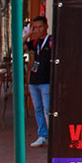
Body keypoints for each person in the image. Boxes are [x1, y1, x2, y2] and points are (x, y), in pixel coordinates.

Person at [24, 15, 53, 149]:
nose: (38, 30)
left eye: (40, 27)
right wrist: (29, 34)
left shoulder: (51, 41)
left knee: (48, 110)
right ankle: (42, 135)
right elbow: (19, 47)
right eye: (35, 28)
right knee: (38, 110)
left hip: (46, 81)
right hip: (34, 80)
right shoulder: (35, 43)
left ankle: (52, 135)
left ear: (46, 27)